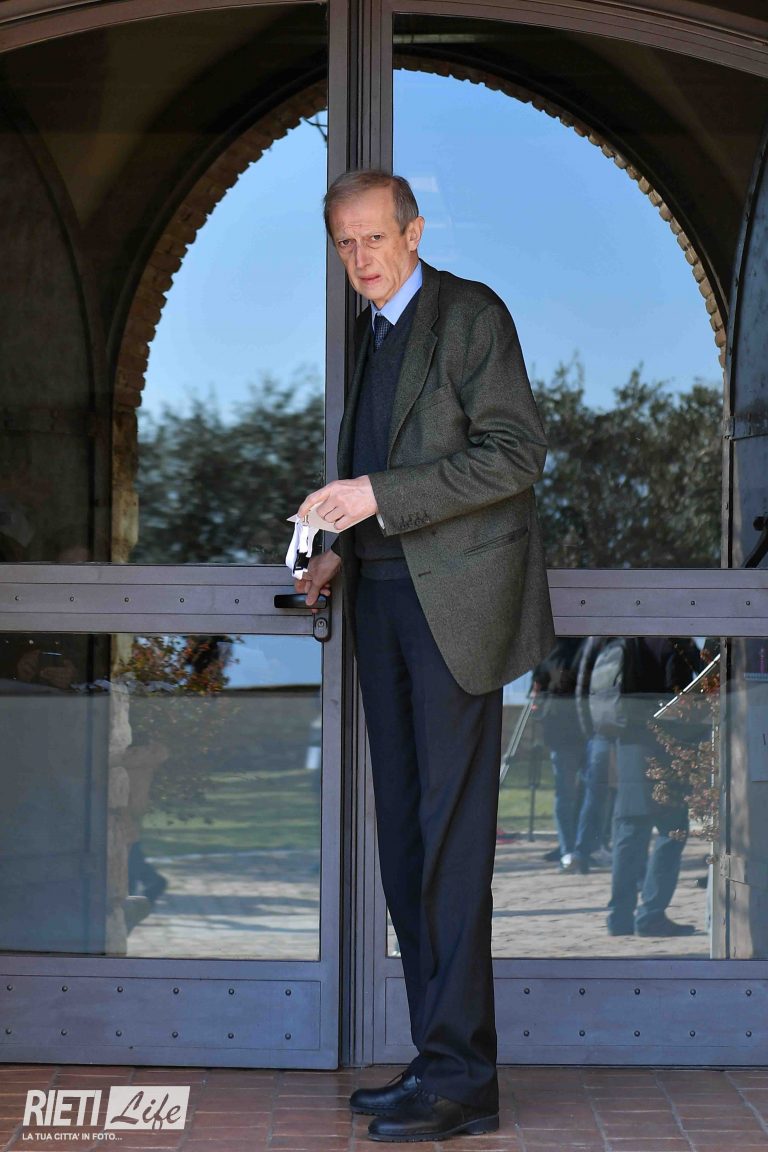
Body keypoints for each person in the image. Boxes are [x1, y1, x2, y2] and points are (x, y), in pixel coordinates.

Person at [294, 170, 554, 1142]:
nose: (361, 258)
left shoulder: (469, 316)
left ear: (414, 232)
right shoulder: (373, 333)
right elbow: (384, 467)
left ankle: (462, 1080)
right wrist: (339, 549)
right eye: (345, 244)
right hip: (385, 607)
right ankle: (441, 1059)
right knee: (406, 842)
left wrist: (376, 496)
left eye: (375, 238)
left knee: (447, 846)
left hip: (456, 618)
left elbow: (515, 453)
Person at [606, 636, 701, 937]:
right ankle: (651, 915)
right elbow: (681, 697)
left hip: (627, 743)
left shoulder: (627, 638)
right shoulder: (674, 641)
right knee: (673, 830)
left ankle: (619, 917)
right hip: (661, 746)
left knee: (630, 831)